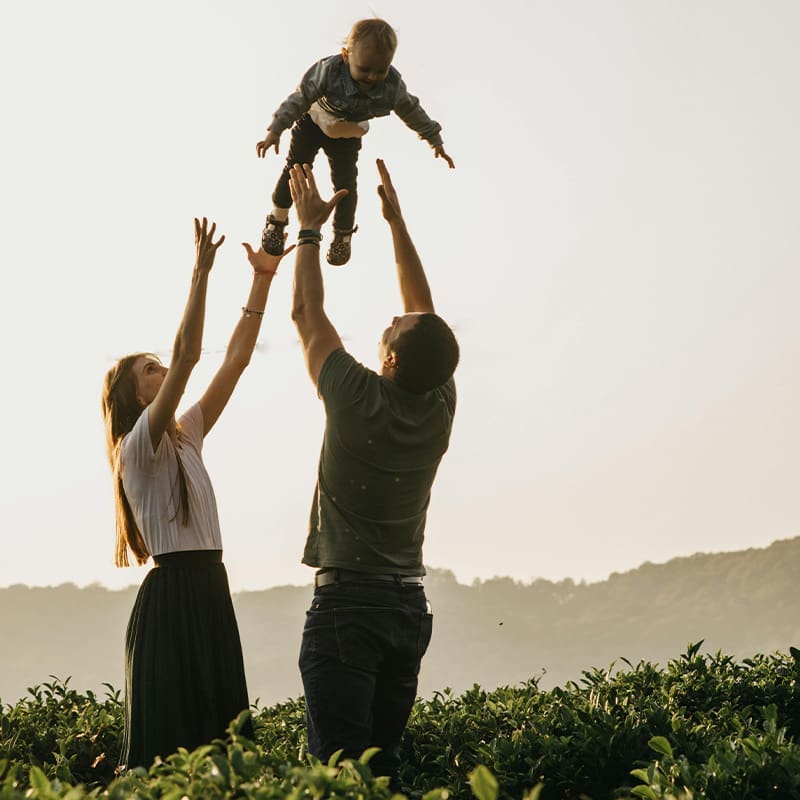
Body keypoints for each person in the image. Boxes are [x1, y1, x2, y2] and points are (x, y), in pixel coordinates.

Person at [288, 158, 458, 791]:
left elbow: (307, 315)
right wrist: (396, 224)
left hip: (349, 606)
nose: (390, 317)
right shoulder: (439, 402)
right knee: (383, 775)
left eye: (390, 328)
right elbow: (426, 318)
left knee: (339, 778)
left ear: (387, 358)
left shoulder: (356, 396)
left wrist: (308, 231)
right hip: (406, 607)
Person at [101, 218, 292, 770]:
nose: (163, 371)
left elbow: (234, 361)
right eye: (150, 369)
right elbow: (189, 357)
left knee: (224, 747)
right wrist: (200, 274)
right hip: (174, 599)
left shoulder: (187, 434)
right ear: (133, 395)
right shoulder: (138, 444)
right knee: (171, 752)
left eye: (159, 366)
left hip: (209, 587)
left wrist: (263, 279)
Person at [255, 17, 454, 267]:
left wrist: (434, 140)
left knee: (346, 184)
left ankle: (343, 234)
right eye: (364, 69)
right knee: (297, 168)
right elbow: (300, 97)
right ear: (346, 55)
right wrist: (276, 129)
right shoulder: (329, 70)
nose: (372, 77)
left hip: (347, 134)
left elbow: (412, 111)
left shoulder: (392, 87)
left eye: (380, 70)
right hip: (314, 120)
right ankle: (277, 218)